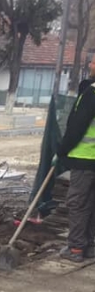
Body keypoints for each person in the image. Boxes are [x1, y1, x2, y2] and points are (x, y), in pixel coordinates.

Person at [57, 53, 95, 263]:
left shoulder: (91, 94)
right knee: (91, 203)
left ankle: (76, 249)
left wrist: (62, 150)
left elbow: (76, 128)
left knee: (78, 203)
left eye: (94, 62)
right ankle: (89, 246)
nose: (91, 65)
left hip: (84, 158)